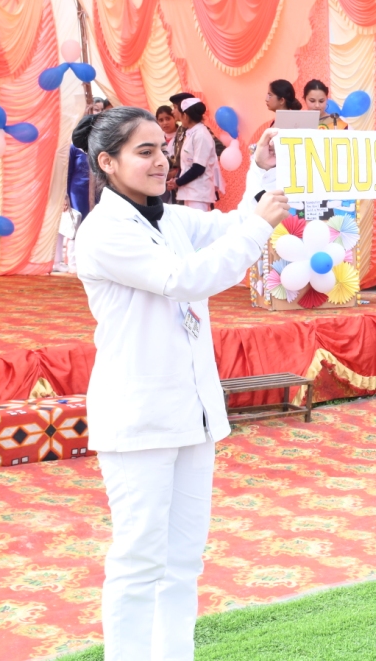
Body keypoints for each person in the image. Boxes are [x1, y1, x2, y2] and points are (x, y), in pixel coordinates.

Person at [74, 106, 289, 661]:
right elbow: (184, 278)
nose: (160, 161)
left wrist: (262, 171)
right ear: (107, 162)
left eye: (162, 149)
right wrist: (259, 226)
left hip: (194, 413)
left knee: (183, 561)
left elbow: (232, 225)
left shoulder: (168, 217)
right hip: (139, 417)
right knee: (139, 561)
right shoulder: (103, 231)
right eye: (144, 152)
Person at [167, 98, 221, 212]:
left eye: (180, 113)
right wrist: (176, 180)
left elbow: (198, 167)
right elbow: (186, 165)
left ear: (185, 116)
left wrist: (177, 182)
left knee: (199, 223)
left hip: (198, 193)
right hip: (189, 192)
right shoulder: (190, 133)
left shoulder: (201, 135)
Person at [156, 105, 179, 204]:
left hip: (181, 180)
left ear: (174, 118)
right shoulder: (157, 138)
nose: (165, 123)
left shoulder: (184, 135)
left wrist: (174, 173)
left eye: (168, 118)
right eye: (161, 120)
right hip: (163, 180)